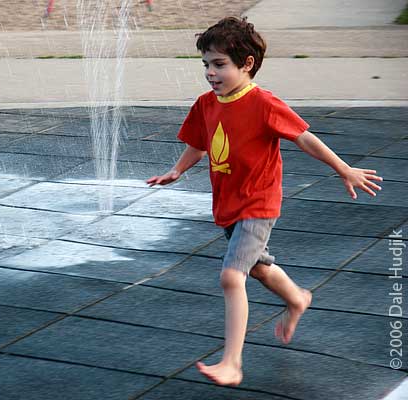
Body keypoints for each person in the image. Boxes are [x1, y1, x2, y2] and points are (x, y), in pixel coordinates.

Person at [146, 16, 383, 387]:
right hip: (228, 203)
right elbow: (200, 142)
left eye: (219, 64)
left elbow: (305, 138)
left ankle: (232, 363)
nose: (210, 73)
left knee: (231, 276)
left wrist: (343, 168)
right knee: (257, 268)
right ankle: (297, 298)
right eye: (206, 64)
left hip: (258, 203)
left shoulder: (263, 104)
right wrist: (177, 170)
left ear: (247, 64)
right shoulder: (207, 104)